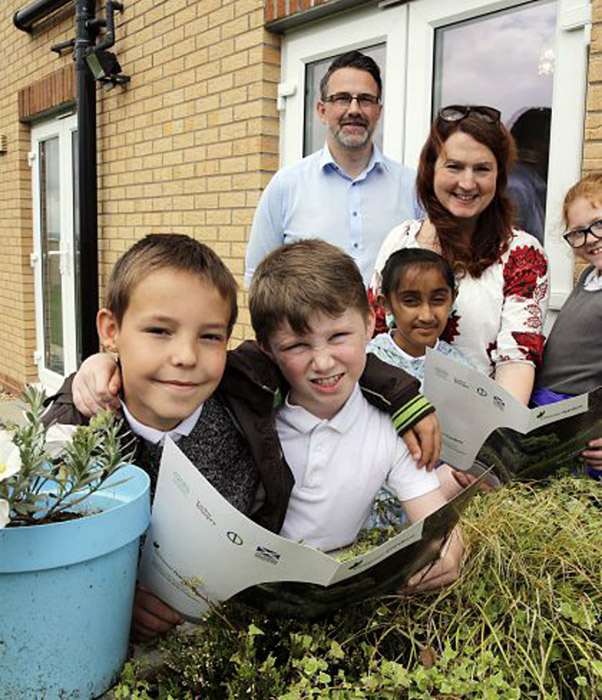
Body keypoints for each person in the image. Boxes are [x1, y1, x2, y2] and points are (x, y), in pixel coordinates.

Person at [43, 234, 258, 641]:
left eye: (210, 336)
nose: (186, 356)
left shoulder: (246, 400)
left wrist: (403, 395)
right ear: (111, 330)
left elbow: (322, 352)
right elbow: (39, 561)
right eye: (160, 330)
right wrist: (113, 597)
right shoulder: (67, 437)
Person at [249, 239, 463, 587]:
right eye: (297, 345)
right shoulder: (252, 413)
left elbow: (436, 518)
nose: (322, 362)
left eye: (338, 336)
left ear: (368, 325)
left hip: (334, 585)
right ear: (267, 349)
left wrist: (449, 550)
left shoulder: (394, 425)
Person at [369, 104, 550, 405]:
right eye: (454, 167)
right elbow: (374, 334)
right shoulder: (400, 240)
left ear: (500, 174)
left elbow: (517, 360)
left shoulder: (523, 254)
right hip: (393, 416)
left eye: (482, 169)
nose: (467, 183)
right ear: (431, 169)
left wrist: (492, 437)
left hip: (476, 428)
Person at [244, 50, 421, 287]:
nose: (354, 109)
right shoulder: (286, 185)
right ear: (321, 110)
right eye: (342, 98)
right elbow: (258, 279)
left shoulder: (412, 187)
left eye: (366, 99)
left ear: (378, 111)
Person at [533, 172, 602, 478]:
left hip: (579, 417)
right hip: (552, 412)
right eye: (578, 233)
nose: (590, 240)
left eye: (599, 224)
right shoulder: (589, 277)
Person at [367, 248, 472, 386]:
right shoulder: (367, 362)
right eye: (410, 301)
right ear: (386, 304)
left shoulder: (461, 372)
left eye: (438, 300)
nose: (426, 316)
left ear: (452, 299)